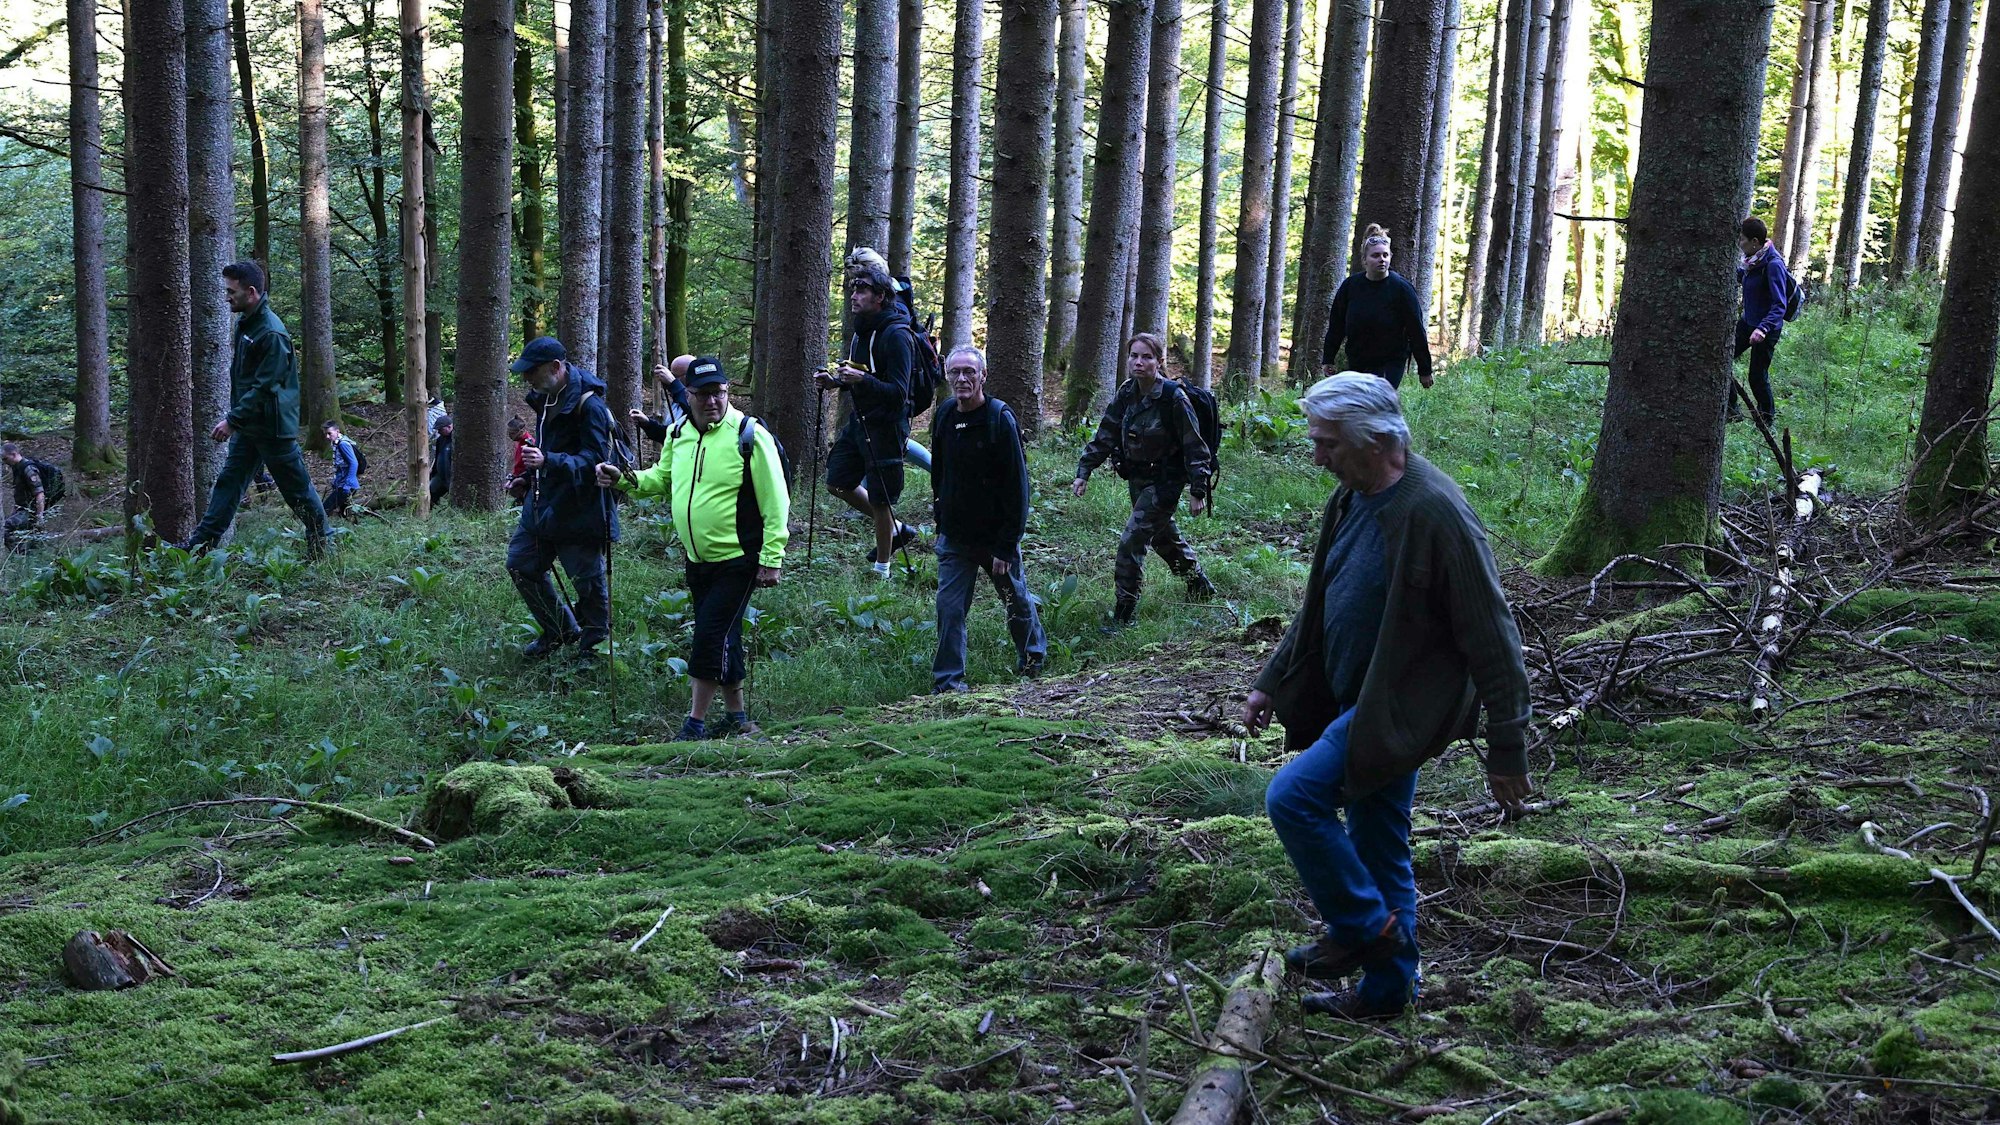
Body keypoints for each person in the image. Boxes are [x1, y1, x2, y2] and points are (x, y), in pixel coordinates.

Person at [1242, 373, 1531, 1020]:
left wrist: (1508, 746)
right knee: (1378, 841)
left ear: (1375, 441)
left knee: (1292, 797)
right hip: (1355, 699)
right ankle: (1389, 989)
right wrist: (1272, 677)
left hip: (1397, 710)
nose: (1318, 457)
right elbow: (1319, 601)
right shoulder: (1349, 499)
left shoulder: (1436, 513)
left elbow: (1494, 637)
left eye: (1328, 444)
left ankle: (1365, 929)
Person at [596, 356, 788, 740]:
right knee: (725, 634)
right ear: (689, 395)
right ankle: (737, 718)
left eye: (718, 392)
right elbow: (661, 479)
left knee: (709, 635)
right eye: (702, 394)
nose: (711, 400)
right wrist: (624, 479)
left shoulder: (749, 435)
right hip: (697, 560)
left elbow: (775, 501)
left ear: (727, 392)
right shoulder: (678, 432)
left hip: (740, 558)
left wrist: (771, 558)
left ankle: (694, 723)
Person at [179, 261, 331, 558]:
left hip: (273, 429)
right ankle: (197, 549)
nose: (226, 297)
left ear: (251, 292)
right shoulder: (248, 324)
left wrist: (232, 420)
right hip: (251, 426)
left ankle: (322, 544)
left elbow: (264, 386)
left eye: (231, 291)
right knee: (229, 484)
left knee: (296, 490)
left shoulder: (271, 333)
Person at [1072, 331, 1215, 628]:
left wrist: (1198, 489)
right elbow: (1106, 434)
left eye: (1146, 357)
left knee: (1132, 541)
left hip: (1165, 482)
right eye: (1134, 356)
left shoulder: (1174, 398)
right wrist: (1084, 471)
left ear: (1159, 362)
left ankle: (1124, 613)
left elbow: (1195, 446)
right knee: (1164, 539)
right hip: (1137, 479)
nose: (1139, 362)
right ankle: (1199, 586)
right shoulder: (1127, 392)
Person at [928, 345, 1045, 693]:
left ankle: (1033, 657)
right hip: (955, 537)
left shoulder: (999, 418)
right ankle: (948, 683)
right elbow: (940, 472)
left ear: (983, 375)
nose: (962, 378)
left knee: (1015, 598)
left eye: (969, 372)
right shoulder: (946, 414)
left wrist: (1006, 545)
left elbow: (1016, 487)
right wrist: (940, 517)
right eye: (955, 372)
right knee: (948, 609)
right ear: (947, 376)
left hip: (996, 539)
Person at [509, 337, 620, 659]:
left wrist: (548, 461)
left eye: (532, 371)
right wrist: (527, 477)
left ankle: (593, 650)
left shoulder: (590, 406)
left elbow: (597, 462)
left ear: (556, 368)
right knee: (521, 565)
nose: (526, 378)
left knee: (588, 583)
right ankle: (559, 629)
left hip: (580, 510)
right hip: (542, 506)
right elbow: (544, 452)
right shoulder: (544, 398)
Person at [816, 265, 917, 577]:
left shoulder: (897, 335)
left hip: (887, 426)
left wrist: (861, 379)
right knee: (837, 482)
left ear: (880, 296)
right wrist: (837, 381)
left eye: (861, 291)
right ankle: (897, 529)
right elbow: (861, 373)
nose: (854, 296)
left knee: (881, 498)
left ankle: (882, 568)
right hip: (860, 422)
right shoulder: (862, 330)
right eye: (852, 290)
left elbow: (900, 393)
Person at [1320, 224, 1434, 390]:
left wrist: (1425, 370)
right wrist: (1328, 358)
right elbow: (1336, 325)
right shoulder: (1350, 286)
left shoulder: (1402, 289)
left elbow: (1416, 330)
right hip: (1358, 360)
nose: (1382, 259)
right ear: (1365, 260)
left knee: (1377, 400)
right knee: (1360, 404)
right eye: (1375, 255)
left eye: (1385, 255)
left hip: (1390, 362)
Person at [1734, 216, 1791, 426]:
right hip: (1748, 322)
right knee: (1721, 359)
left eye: (1743, 240)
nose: (1740, 244)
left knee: (1756, 377)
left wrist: (1763, 329)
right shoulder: (1753, 262)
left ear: (1755, 242)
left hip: (1766, 329)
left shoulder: (1773, 265)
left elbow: (1779, 305)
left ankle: (1767, 421)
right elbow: (1748, 279)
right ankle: (1732, 411)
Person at [3, 442, 53, 550]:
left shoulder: (28, 469)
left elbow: (40, 494)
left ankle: (21, 554)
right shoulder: (17, 468)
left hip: (31, 511)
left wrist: (39, 516)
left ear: (14, 454)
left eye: (6, 459)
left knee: (4, 527)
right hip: (23, 509)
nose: (5, 462)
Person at [630, 358, 692, 446]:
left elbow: (692, 413)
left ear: (688, 376)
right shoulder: (677, 403)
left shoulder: (702, 403)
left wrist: (674, 384)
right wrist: (647, 423)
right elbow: (668, 436)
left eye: (675, 376)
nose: (669, 378)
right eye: (671, 375)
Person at [322, 420, 360, 519]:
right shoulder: (336, 443)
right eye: (326, 434)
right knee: (344, 513)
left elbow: (354, 463)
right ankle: (351, 529)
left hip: (346, 486)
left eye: (329, 433)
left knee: (325, 508)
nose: (327, 437)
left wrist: (348, 484)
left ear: (337, 431)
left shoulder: (343, 444)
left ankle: (317, 530)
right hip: (342, 485)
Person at [506, 415, 535, 502]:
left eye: (512, 433)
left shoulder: (529, 444)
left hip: (526, 484)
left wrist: (522, 479)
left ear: (521, 431)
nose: (509, 436)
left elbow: (531, 467)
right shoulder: (520, 442)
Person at [429, 416, 455, 507]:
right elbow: (437, 456)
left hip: (452, 477)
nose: (439, 431)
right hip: (440, 475)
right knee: (430, 491)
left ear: (449, 427)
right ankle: (432, 514)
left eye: (441, 429)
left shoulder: (456, 439)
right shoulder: (440, 440)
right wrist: (433, 470)